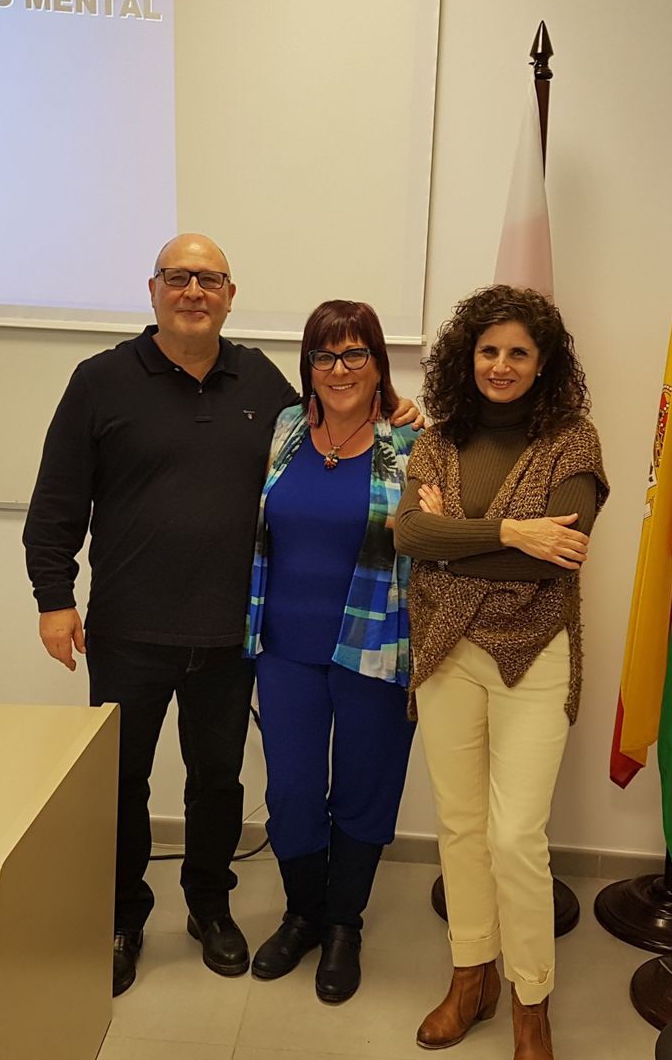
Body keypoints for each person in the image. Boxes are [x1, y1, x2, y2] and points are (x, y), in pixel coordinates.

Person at [23, 234, 421, 998]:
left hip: (234, 633)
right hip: (127, 629)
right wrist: (53, 598)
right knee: (122, 781)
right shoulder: (100, 381)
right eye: (179, 277)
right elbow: (58, 501)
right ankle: (122, 917)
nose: (194, 291)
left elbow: (342, 427)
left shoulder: (263, 385)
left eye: (209, 279)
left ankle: (210, 906)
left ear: (231, 295)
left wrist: (397, 409)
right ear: (153, 289)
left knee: (219, 781)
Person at [392, 285, 609, 1060]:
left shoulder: (572, 442)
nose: (502, 365)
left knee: (515, 835)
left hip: (534, 654)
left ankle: (531, 1002)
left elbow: (564, 554)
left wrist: (462, 536)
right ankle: (468, 975)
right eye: (488, 350)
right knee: (460, 825)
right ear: (467, 358)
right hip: (447, 651)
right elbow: (410, 533)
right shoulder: (440, 437)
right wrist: (515, 531)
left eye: (518, 351)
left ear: (543, 362)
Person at [242, 300, 417, 1005]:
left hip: (376, 646)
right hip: (284, 644)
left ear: (378, 363)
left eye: (355, 355)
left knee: (364, 792)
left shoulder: (409, 443)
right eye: (324, 355)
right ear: (307, 367)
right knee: (289, 792)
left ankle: (344, 925)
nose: (339, 370)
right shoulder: (287, 429)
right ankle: (302, 914)